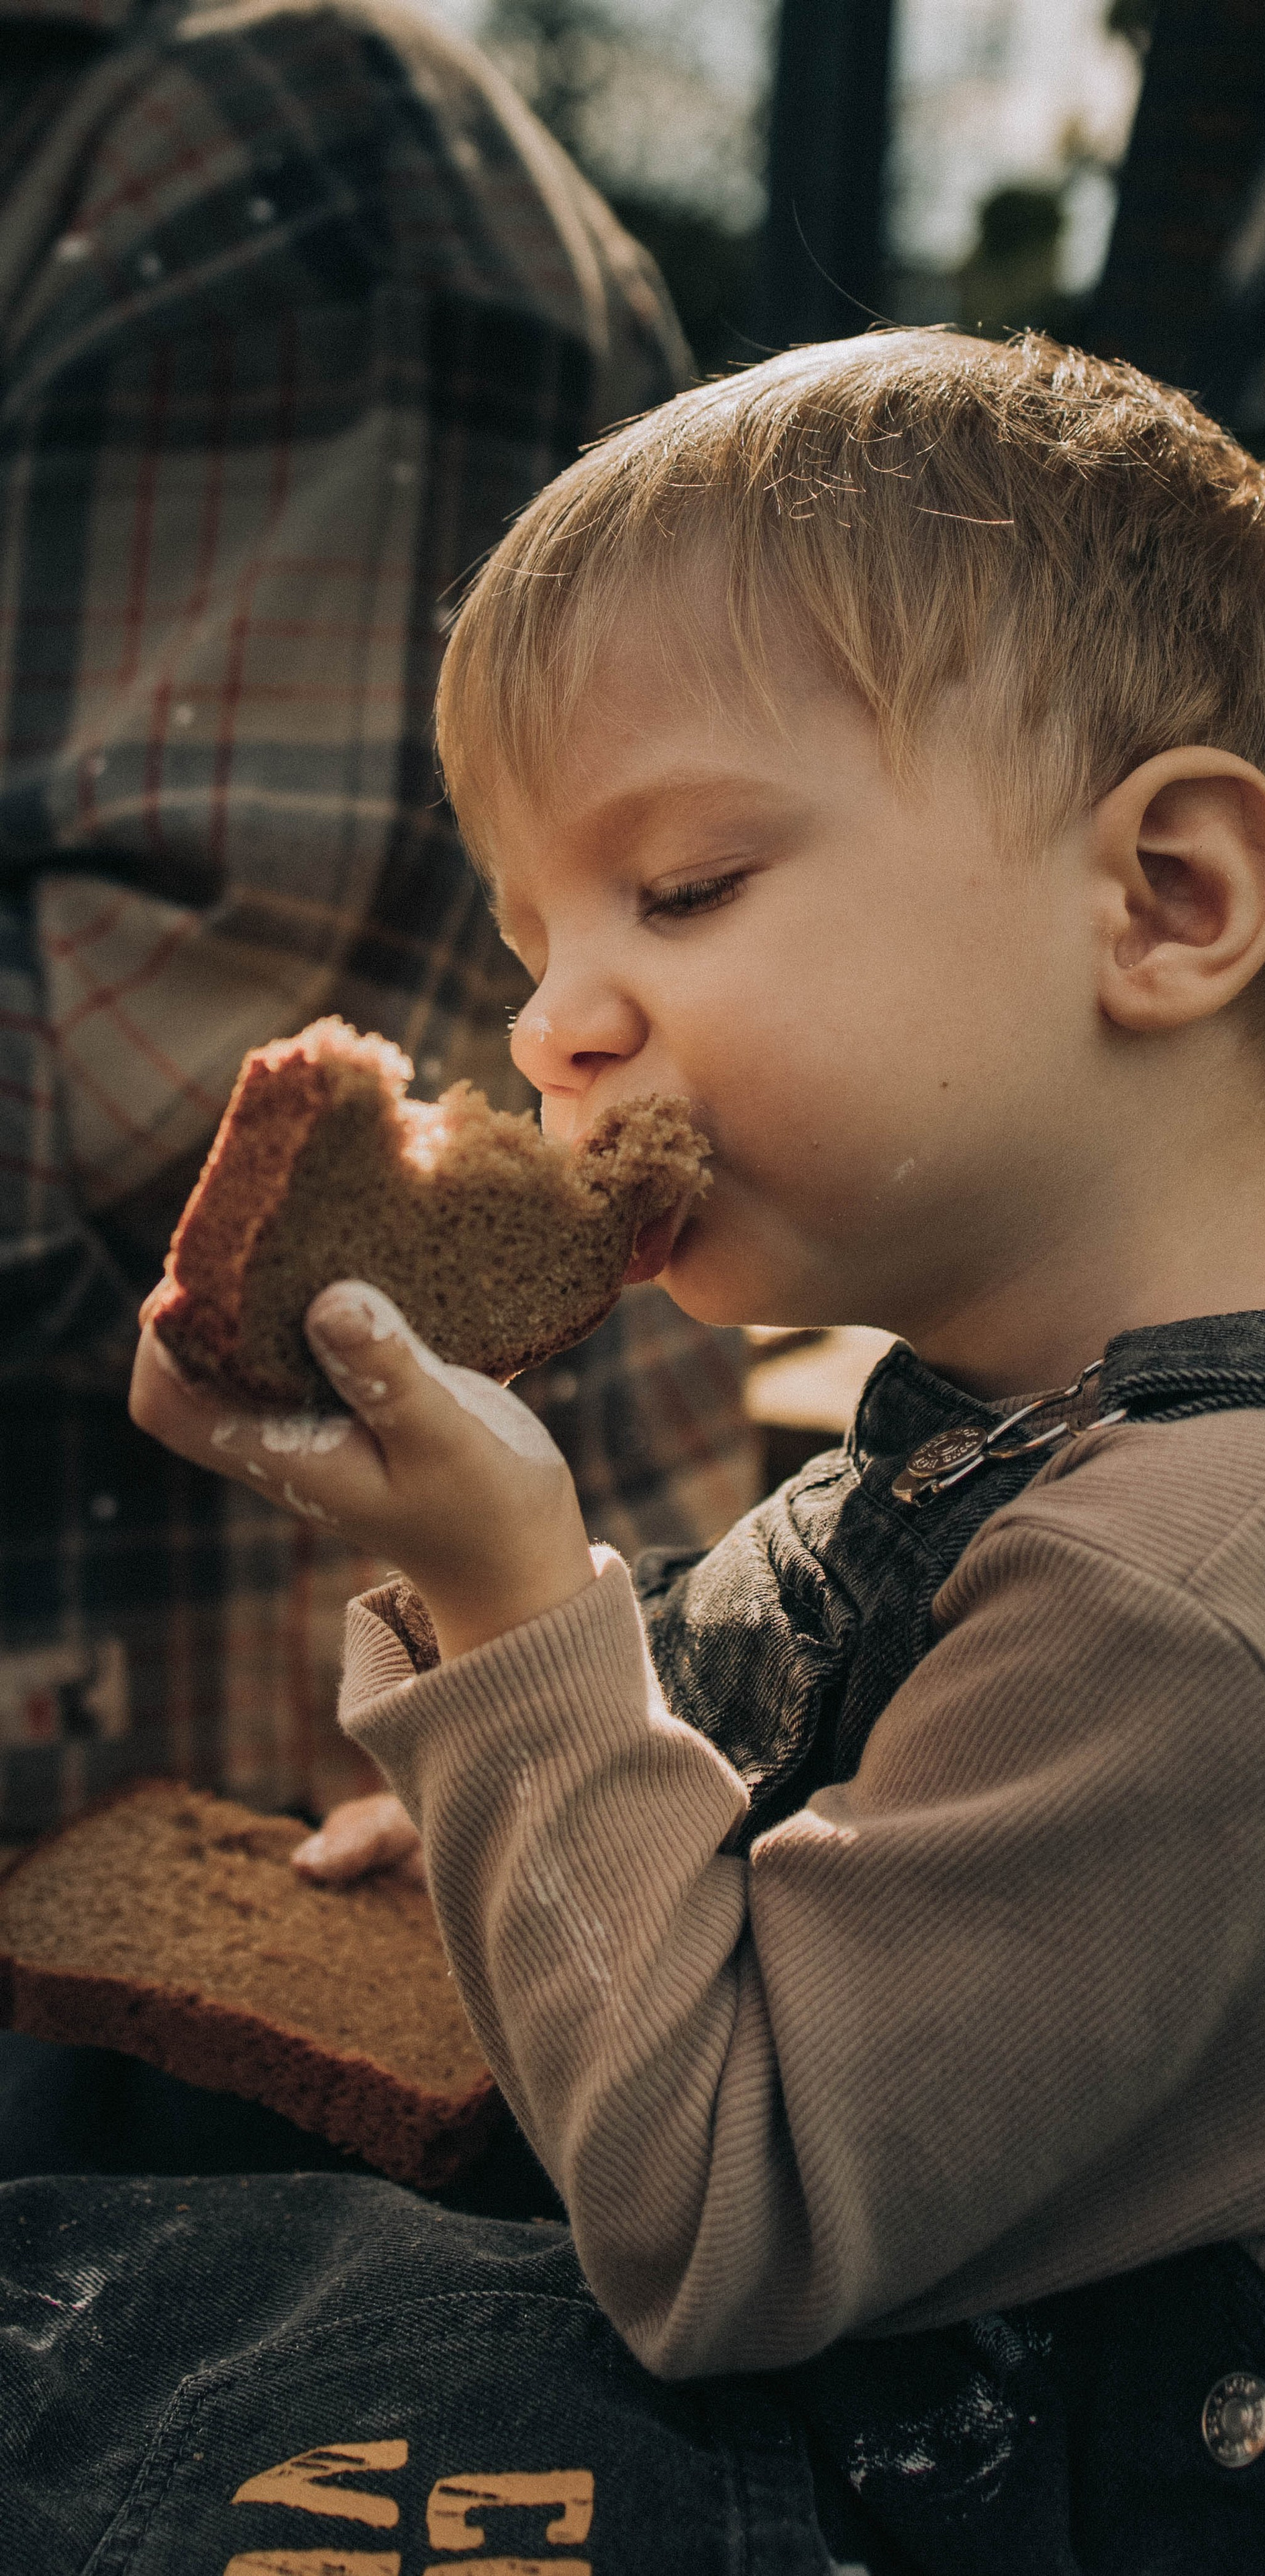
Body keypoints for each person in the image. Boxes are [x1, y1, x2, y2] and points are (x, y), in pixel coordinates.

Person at [15, 328, 1265, 2572]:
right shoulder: (1042, 1430)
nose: (551, 1023)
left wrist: (518, 1615)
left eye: (686, 889)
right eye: (535, 937)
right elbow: (706, 1730)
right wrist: (494, 1814)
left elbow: (726, 2217)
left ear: (1170, 900)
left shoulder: (1214, 1583)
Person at [0, 0, 760, 1856]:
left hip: (249, 1750)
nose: (557, 1035)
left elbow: (181, 1103)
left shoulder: (279, 161)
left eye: (689, 896)